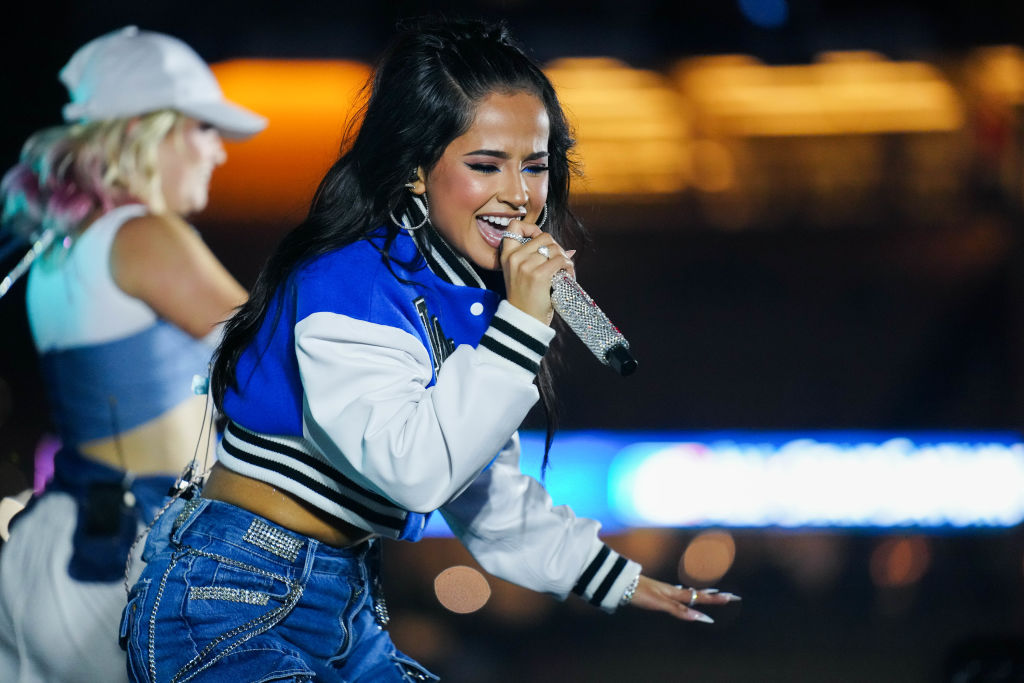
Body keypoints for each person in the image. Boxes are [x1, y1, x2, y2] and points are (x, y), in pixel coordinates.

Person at [121, 17, 740, 682]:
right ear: (417, 170)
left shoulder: (461, 302)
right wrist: (521, 331)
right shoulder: (349, 280)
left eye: (534, 165)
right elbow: (413, 472)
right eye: (484, 165)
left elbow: (482, 494)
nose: (519, 194)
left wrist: (621, 581)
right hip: (229, 595)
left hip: (344, 604)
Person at [0, 26, 266, 683]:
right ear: (154, 130)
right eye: (204, 130)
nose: (218, 154)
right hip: (125, 561)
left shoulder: (63, 244)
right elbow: (276, 357)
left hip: (64, 548)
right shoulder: (143, 235)